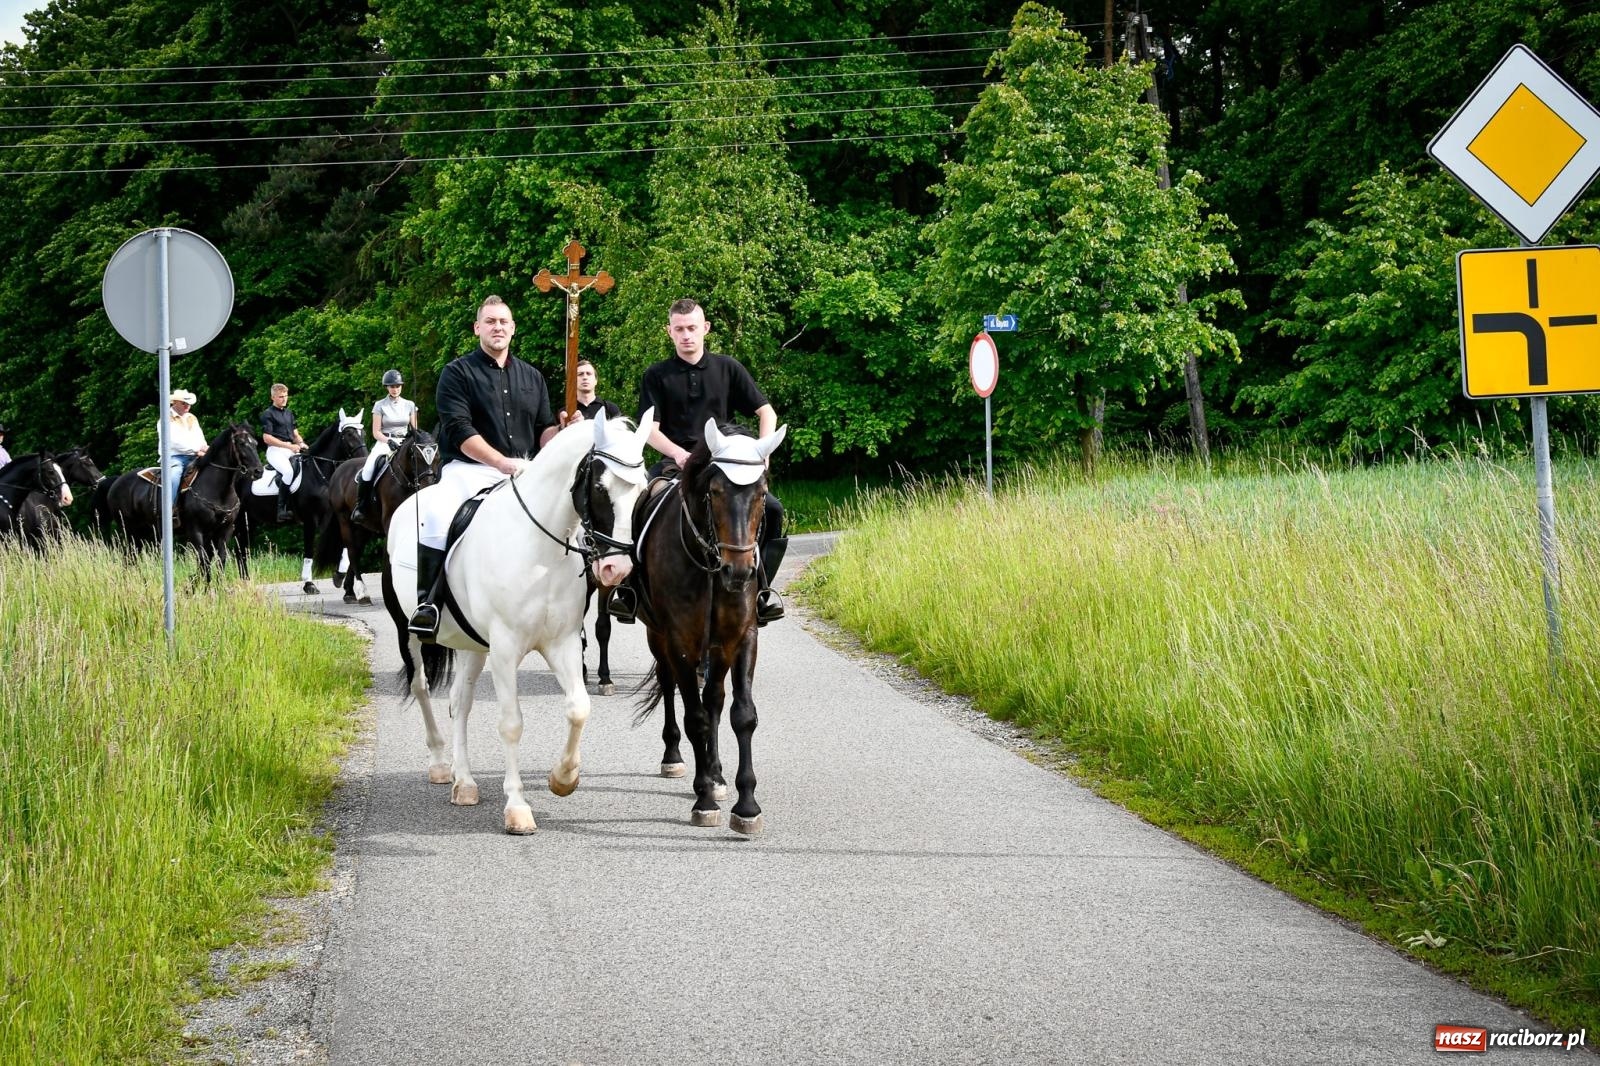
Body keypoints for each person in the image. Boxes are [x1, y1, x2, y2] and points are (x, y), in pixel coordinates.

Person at [407, 294, 580, 640]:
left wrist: (562, 432)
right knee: (437, 514)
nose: (497, 327)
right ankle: (428, 603)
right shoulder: (456, 373)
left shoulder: (533, 377)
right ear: (477, 328)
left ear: (513, 328)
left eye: (503, 322)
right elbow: (459, 430)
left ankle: (575, 610)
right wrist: (500, 462)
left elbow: (543, 431)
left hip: (525, 472)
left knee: (575, 521)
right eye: (490, 321)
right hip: (469, 471)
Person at [610, 297, 788, 626]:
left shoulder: (728, 368)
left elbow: (767, 412)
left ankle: (762, 591)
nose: (686, 335)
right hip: (674, 465)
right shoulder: (656, 375)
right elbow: (650, 431)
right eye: (679, 329)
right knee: (635, 506)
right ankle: (630, 590)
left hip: (725, 467)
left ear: (705, 328)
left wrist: (762, 454)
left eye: (692, 328)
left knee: (773, 510)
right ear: (669, 332)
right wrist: (680, 454)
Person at [351, 369, 419, 528]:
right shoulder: (379, 405)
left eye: (397, 386)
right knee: (368, 469)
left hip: (405, 441)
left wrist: (414, 441)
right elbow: (376, 432)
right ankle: (361, 507)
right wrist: (388, 441)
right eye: (392, 386)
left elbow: (415, 429)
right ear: (387, 387)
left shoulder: (410, 405)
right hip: (384, 441)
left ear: (401, 386)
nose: (395, 389)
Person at [260, 383, 307, 521]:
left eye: (286, 396)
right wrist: (288, 446)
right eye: (281, 397)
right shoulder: (268, 414)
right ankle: (281, 510)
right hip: (275, 451)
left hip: (291, 448)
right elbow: (267, 438)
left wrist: (301, 443)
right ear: (273, 397)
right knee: (288, 472)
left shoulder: (289, 413)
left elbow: (295, 434)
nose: (284, 399)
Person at [162, 389, 208, 521]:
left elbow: (199, 436)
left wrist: (205, 447)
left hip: (195, 456)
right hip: (174, 457)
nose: (187, 406)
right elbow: (173, 441)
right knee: (174, 477)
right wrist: (197, 450)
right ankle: (169, 510)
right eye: (184, 403)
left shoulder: (191, 418)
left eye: (188, 403)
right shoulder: (165, 418)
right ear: (174, 402)